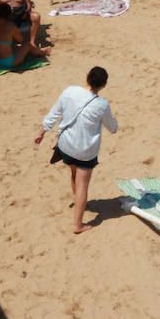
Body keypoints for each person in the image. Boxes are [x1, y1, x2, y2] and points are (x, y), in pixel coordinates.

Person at [34, 66, 120, 235]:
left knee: (74, 173)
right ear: (104, 85)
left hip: (65, 146)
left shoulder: (70, 91)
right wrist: (115, 122)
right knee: (83, 186)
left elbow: (54, 114)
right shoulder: (102, 105)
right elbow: (113, 127)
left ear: (87, 77)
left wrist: (41, 132)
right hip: (84, 151)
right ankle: (77, 225)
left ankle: (79, 203)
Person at [0, 5, 50, 69]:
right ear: (9, 14)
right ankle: (42, 53)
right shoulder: (10, 25)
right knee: (28, 45)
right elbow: (21, 40)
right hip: (7, 62)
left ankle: (40, 51)